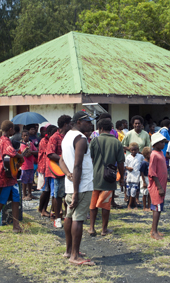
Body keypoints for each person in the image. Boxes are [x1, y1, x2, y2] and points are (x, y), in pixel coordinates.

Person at [59, 111, 95, 266]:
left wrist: (68, 175)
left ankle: (69, 251)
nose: (91, 125)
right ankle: (75, 255)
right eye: (88, 121)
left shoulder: (66, 137)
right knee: (78, 219)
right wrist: (75, 192)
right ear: (79, 122)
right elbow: (78, 165)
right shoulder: (80, 139)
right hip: (82, 186)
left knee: (69, 216)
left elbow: (61, 160)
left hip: (71, 185)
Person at [88, 118, 125, 236]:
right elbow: (120, 163)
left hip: (94, 177)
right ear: (111, 129)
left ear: (100, 129)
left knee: (93, 203)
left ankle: (92, 228)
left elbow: (90, 159)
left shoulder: (94, 141)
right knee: (105, 204)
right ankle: (104, 229)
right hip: (109, 177)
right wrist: (122, 177)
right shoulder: (117, 142)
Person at [0, 121, 25, 234]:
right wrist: (21, 157)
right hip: (4, 176)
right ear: (10, 129)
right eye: (13, 129)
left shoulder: (4, 140)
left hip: (10, 176)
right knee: (1, 200)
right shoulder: (5, 140)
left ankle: (16, 226)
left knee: (15, 198)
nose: (14, 131)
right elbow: (11, 152)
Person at [46, 115, 72, 228]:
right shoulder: (54, 137)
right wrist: (63, 159)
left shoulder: (69, 137)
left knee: (68, 194)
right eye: (70, 124)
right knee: (58, 195)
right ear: (65, 125)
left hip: (69, 170)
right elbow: (50, 154)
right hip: (58, 170)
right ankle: (57, 218)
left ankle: (68, 216)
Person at [148, 132, 167, 240]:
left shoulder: (160, 153)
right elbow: (152, 172)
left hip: (161, 184)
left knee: (159, 208)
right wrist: (159, 187)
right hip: (157, 186)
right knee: (157, 208)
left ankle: (154, 229)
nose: (163, 144)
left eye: (163, 142)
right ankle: (154, 232)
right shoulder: (154, 154)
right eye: (161, 142)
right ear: (155, 144)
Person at [37, 125, 57, 217]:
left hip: (49, 169)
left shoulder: (49, 140)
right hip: (43, 168)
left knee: (48, 191)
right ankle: (41, 208)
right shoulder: (44, 141)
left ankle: (44, 209)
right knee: (45, 190)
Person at [20, 129, 38, 200]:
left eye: (27, 135)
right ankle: (24, 195)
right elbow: (26, 155)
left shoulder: (30, 144)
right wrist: (31, 152)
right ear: (22, 136)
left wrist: (31, 151)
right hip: (24, 165)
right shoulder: (22, 145)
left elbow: (36, 151)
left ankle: (30, 194)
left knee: (30, 181)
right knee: (24, 181)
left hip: (31, 165)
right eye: (24, 136)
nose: (26, 137)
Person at [125, 142, 144, 209]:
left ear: (138, 149)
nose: (133, 151)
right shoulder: (128, 157)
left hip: (136, 177)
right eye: (132, 150)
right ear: (130, 150)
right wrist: (128, 168)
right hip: (129, 177)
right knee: (129, 192)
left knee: (134, 191)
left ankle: (132, 205)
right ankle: (131, 204)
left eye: (135, 150)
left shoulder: (140, 157)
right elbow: (125, 165)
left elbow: (143, 163)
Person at [140, 147, 151, 211]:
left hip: (149, 178)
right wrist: (144, 181)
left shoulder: (150, 162)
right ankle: (144, 206)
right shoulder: (144, 163)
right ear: (146, 154)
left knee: (149, 193)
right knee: (145, 193)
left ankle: (149, 206)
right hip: (145, 178)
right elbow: (142, 172)